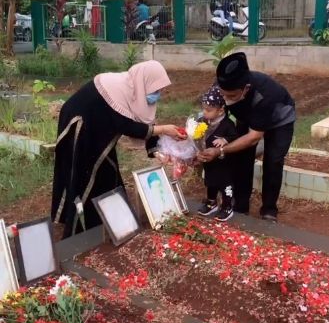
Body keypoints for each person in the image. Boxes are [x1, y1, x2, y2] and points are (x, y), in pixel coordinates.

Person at [51, 61, 183, 238]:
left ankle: (111, 221)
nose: (157, 95)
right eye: (155, 90)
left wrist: (156, 151)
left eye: (159, 90)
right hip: (81, 128)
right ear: (145, 81)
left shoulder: (136, 90)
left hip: (100, 132)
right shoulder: (116, 89)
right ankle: (78, 231)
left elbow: (144, 122)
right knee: (84, 176)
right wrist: (165, 129)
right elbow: (127, 126)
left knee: (108, 172)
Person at [197, 52, 296, 223]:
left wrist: (220, 150)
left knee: (273, 161)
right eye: (224, 95)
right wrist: (197, 137)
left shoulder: (264, 95)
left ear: (246, 89)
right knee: (242, 158)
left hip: (279, 120)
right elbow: (212, 116)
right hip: (248, 117)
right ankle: (241, 205)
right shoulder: (221, 87)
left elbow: (254, 137)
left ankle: (269, 209)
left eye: (232, 96)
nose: (226, 101)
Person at [197, 86, 238, 222]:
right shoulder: (204, 122)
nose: (205, 112)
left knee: (225, 184)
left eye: (208, 110)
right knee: (210, 182)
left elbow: (235, 137)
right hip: (209, 161)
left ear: (221, 110)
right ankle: (211, 202)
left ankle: (227, 206)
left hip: (223, 163)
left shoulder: (227, 124)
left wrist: (225, 139)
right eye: (203, 109)